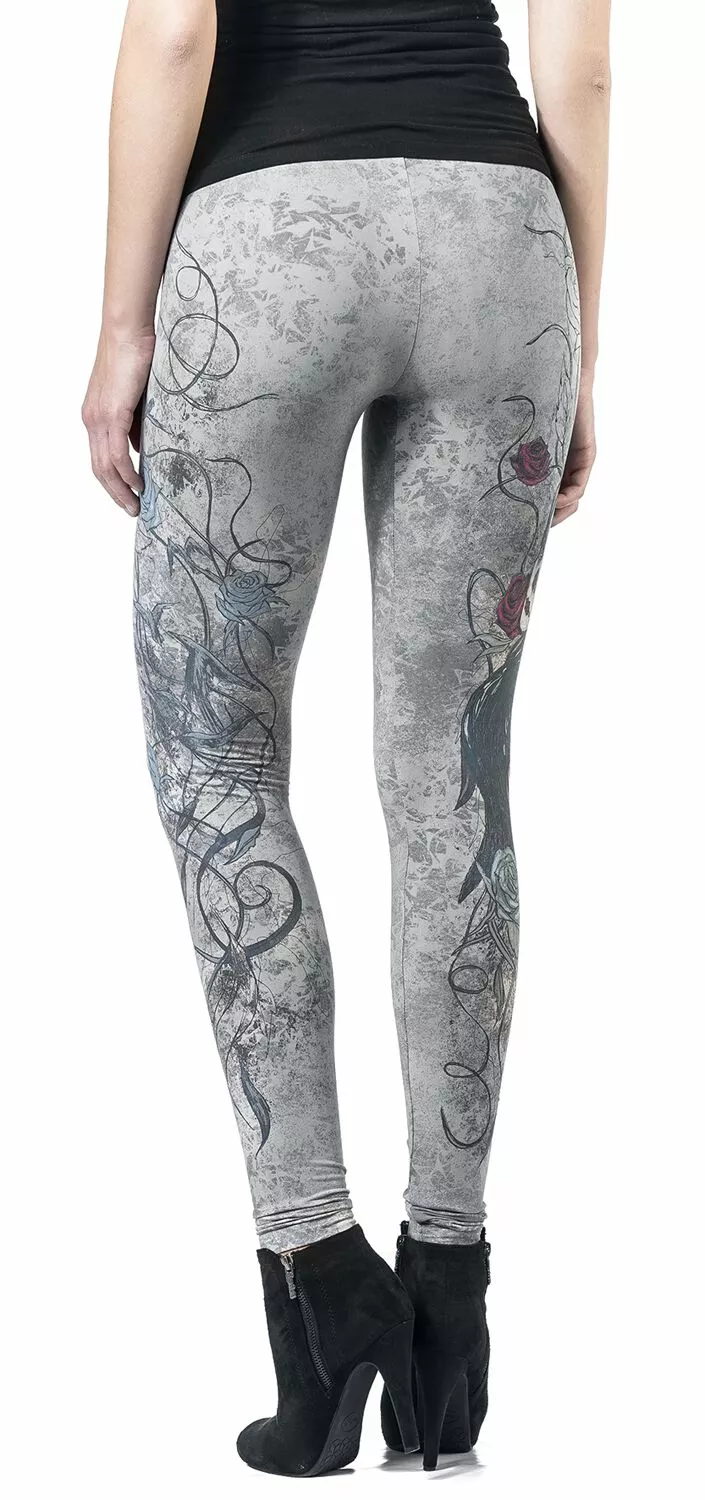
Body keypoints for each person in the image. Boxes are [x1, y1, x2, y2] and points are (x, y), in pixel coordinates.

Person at [82, 0, 610, 1476]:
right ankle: (450, 1307)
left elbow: (175, 35)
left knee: (220, 761)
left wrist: (121, 328)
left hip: (268, 248)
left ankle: (320, 1280)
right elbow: (580, 65)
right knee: (453, 781)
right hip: (500, 246)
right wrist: (580, 339)